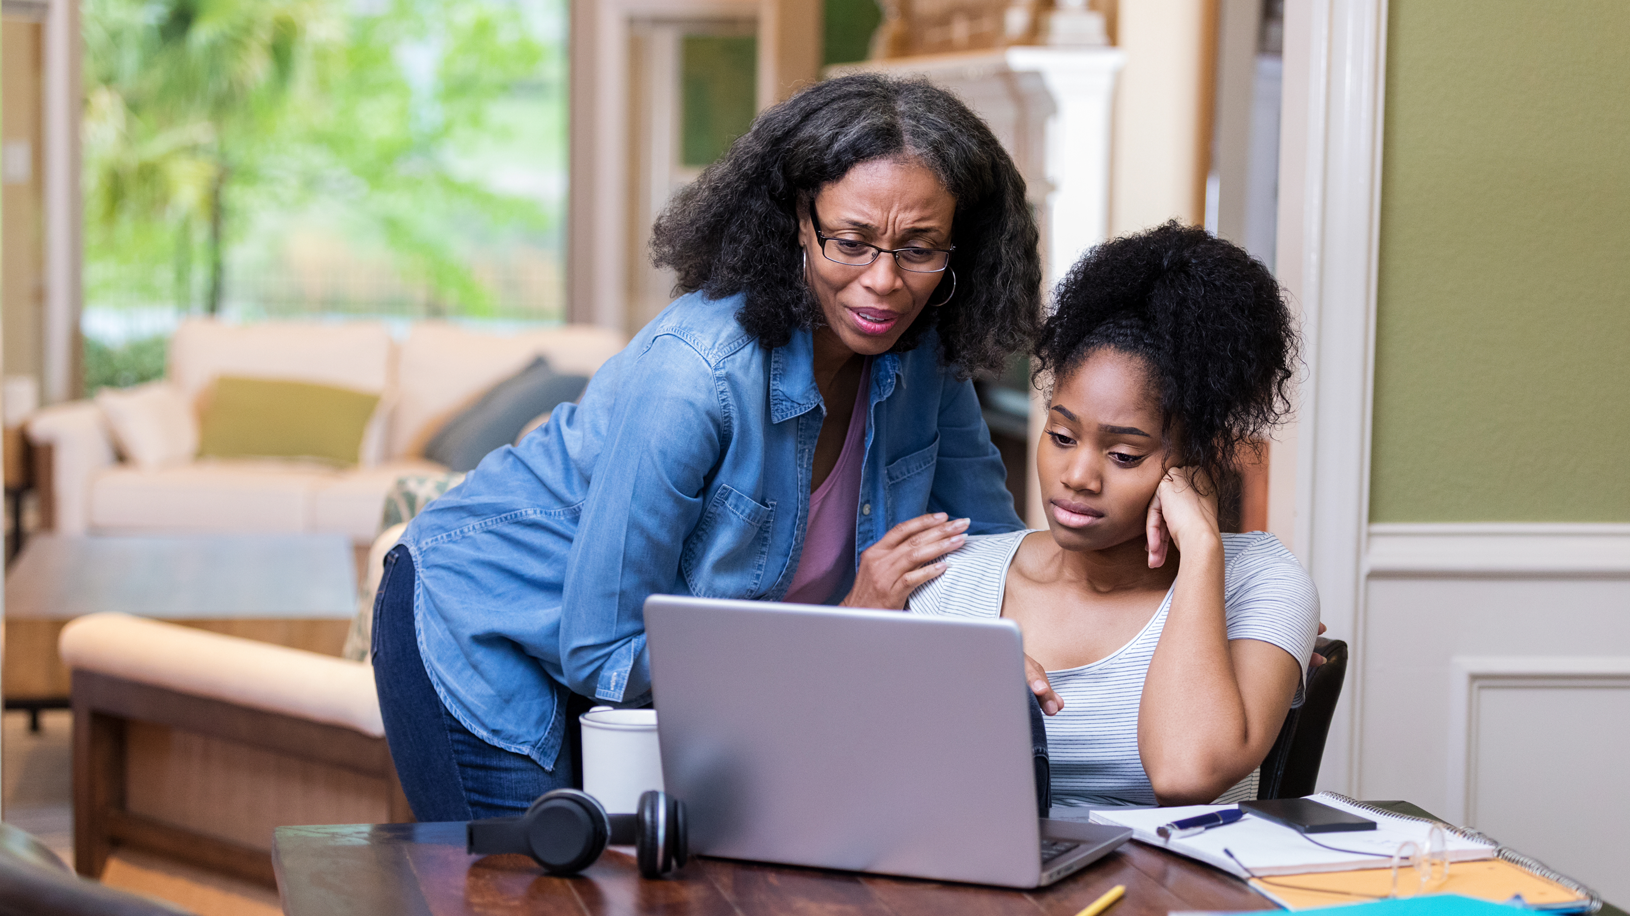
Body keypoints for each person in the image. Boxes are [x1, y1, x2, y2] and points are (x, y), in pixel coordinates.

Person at [372, 74, 1043, 820]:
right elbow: (603, 653)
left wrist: (1129, 534)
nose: (884, 283)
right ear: (799, 219)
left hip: (670, 679)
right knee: (534, 901)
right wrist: (855, 620)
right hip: (489, 626)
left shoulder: (924, 361)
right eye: (851, 243)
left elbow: (992, 551)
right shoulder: (695, 375)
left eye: (919, 249)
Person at [906, 222, 1320, 807]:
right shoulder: (946, 578)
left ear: (1192, 457)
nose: (1078, 476)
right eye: (1062, 434)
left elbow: (1184, 772)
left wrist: (1201, 551)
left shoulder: (1262, 584)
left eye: (1124, 454)